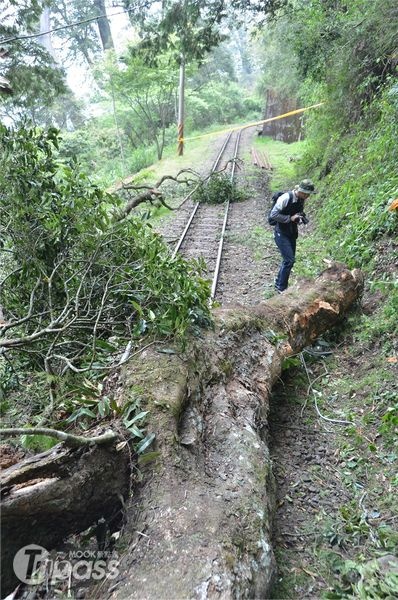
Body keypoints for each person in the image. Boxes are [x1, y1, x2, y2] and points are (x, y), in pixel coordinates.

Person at [270, 179, 317, 293]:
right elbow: (273, 215)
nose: (307, 196)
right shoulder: (285, 198)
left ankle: (278, 283)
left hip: (291, 232)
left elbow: (296, 213)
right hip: (281, 232)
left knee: (288, 261)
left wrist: (298, 218)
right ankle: (281, 288)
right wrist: (289, 218)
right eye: (306, 194)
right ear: (300, 191)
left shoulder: (301, 200)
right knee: (289, 260)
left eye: (308, 194)